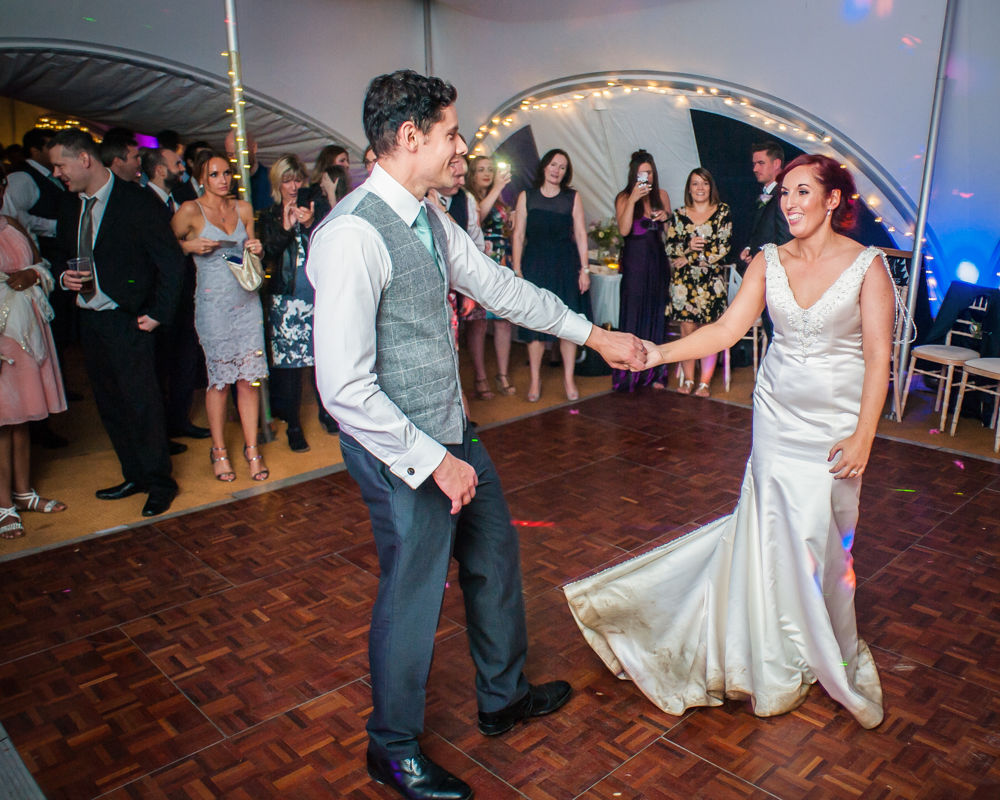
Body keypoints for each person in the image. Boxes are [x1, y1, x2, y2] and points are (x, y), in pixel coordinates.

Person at [306, 69, 646, 800]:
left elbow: (500, 287)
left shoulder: (430, 217)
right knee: (413, 593)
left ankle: (502, 697)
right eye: (452, 132)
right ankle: (390, 748)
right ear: (409, 138)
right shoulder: (350, 237)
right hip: (401, 451)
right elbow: (343, 388)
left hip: (452, 430)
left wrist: (595, 335)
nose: (462, 144)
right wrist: (434, 462)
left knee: (494, 553)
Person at [564, 154, 895, 731]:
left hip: (836, 426)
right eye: (785, 193)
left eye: (801, 192)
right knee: (770, 531)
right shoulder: (768, 261)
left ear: (833, 200)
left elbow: (878, 358)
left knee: (821, 539)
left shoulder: (868, 267)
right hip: (777, 418)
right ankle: (771, 650)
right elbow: (724, 330)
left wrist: (865, 434)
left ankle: (821, 640)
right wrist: (656, 353)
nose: (789, 202)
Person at [50, 128, 184, 517]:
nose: (58, 172)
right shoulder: (68, 204)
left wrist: (159, 313)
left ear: (84, 159)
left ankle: (160, 482)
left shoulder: (137, 202)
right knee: (110, 405)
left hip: (129, 319)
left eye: (61, 164)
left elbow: (170, 263)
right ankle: (135, 474)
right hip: (89, 321)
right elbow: (61, 253)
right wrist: (63, 276)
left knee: (142, 404)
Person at [171, 151, 268, 482]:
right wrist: (188, 247)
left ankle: (252, 450)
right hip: (213, 305)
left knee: (248, 379)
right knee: (221, 381)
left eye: (227, 173)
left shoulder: (243, 208)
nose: (223, 179)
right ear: (202, 178)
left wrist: (257, 247)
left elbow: (252, 251)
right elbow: (163, 245)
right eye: (214, 174)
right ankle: (219, 451)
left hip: (247, 301)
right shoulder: (189, 211)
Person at [0, 164, 67, 539]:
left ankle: (24, 493)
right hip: (0, 335)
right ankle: (2, 505)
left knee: (22, 417)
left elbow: (42, 264)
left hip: (26, 331)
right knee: (0, 422)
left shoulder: (11, 223)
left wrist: (33, 274)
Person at [258, 154, 337, 452]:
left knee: (323, 360)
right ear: (278, 184)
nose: (293, 186)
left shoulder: (317, 210)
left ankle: (327, 412)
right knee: (290, 368)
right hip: (286, 301)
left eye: (297, 179)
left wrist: (311, 223)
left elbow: (331, 245)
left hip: (318, 296)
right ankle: (293, 424)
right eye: (287, 180)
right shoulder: (267, 215)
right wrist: (287, 227)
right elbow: (268, 253)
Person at [511, 149, 591, 402]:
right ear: (544, 166)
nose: (557, 170)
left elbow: (580, 234)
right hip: (535, 264)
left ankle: (568, 378)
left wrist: (585, 269)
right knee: (535, 324)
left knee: (568, 323)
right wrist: (517, 270)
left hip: (566, 265)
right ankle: (535, 379)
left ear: (567, 173)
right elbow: (518, 235)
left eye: (563, 167)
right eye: (553, 165)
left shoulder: (572, 197)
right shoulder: (527, 196)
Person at [665, 167, 732, 397]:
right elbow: (670, 247)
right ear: (689, 188)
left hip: (711, 283)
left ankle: (704, 383)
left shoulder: (722, 212)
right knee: (687, 332)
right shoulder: (679, 214)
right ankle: (688, 379)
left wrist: (689, 257)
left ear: (710, 186)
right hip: (684, 285)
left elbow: (722, 248)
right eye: (695, 184)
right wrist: (685, 249)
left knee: (709, 332)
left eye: (704, 183)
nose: (700, 188)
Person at [613, 149, 672, 392]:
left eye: (648, 172)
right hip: (635, 263)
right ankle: (629, 373)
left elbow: (670, 235)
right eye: (640, 173)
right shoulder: (624, 197)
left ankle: (656, 372)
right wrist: (634, 200)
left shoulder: (661, 195)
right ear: (633, 175)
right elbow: (624, 230)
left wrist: (666, 217)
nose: (644, 177)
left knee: (657, 314)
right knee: (634, 313)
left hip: (657, 261)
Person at [464, 155, 517, 397]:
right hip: (480, 262)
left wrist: (511, 219)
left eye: (490, 169)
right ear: (471, 174)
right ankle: (480, 376)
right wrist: (497, 188)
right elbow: (477, 221)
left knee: (504, 320)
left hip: (502, 261)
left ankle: (503, 374)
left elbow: (504, 229)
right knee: (479, 323)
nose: (486, 173)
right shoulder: (468, 198)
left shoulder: (500, 201)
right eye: (481, 169)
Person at [740, 141, 793, 341]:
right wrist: (750, 249)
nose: (755, 168)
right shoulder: (768, 193)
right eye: (754, 164)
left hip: (777, 275)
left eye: (760, 163)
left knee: (777, 331)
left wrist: (765, 261)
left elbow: (784, 238)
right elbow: (764, 231)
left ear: (776, 163)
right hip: (764, 271)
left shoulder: (782, 194)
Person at [224, 130, 271, 211]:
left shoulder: (272, 178)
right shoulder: (226, 184)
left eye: (240, 153)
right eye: (230, 155)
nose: (235, 159)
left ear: (254, 148)